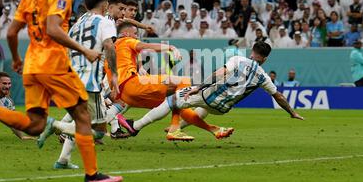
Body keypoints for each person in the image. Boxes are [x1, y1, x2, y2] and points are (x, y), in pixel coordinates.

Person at [0, 0, 122, 182]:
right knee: (82, 115)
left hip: (32, 64)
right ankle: (92, 174)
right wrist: (84, 50)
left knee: (35, 124)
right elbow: (52, 29)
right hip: (54, 64)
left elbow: (11, 32)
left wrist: (15, 59)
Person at [116, 42, 304, 138]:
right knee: (202, 110)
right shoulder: (263, 75)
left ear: (252, 52)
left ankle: (136, 126)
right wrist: (292, 112)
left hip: (208, 95)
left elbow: (218, 74)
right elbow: (278, 96)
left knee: (172, 99)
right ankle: (177, 127)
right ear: (264, 59)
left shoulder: (238, 59)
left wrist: (198, 87)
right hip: (223, 109)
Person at [36, 0, 119, 169]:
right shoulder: (105, 22)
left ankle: (63, 160)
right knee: (98, 132)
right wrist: (114, 74)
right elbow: (109, 47)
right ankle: (55, 124)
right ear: (105, 4)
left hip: (72, 77)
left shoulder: (77, 24)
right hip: (90, 82)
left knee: (81, 121)